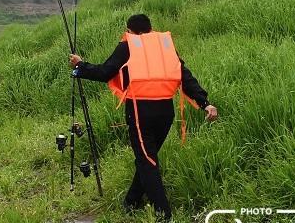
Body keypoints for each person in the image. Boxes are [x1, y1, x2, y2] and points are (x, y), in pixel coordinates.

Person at [68, 14, 218, 221]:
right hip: (165, 111)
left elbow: (105, 72)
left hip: (140, 111)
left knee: (147, 160)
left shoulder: (128, 45)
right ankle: (131, 201)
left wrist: (81, 66)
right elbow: (185, 76)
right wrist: (205, 103)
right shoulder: (165, 46)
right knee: (148, 158)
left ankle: (163, 214)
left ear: (130, 31)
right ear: (150, 29)